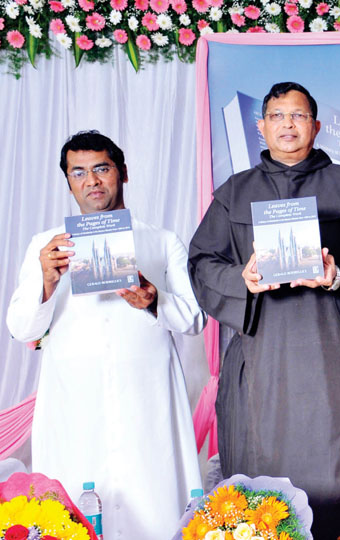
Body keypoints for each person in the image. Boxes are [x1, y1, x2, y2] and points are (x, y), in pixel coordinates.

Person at [188, 82, 340, 539]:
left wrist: (337, 275)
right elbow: (203, 263)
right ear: (261, 127)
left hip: (336, 357)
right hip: (263, 359)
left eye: (298, 116)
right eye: (277, 116)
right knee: (262, 492)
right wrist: (241, 280)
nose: (287, 125)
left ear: (316, 127)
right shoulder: (233, 193)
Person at [7, 131, 204, 539]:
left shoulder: (162, 241)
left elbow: (194, 319)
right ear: (68, 181)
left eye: (101, 168)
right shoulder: (46, 246)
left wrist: (153, 299)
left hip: (147, 403)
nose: (91, 181)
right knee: (71, 512)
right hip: (73, 407)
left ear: (123, 173)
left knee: (154, 507)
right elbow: (21, 328)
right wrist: (46, 280)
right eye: (78, 172)